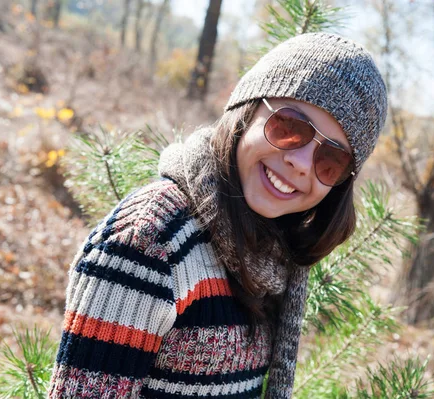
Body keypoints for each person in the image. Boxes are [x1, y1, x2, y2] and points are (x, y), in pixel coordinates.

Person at [48, 32, 387, 399]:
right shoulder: (150, 240)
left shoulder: (270, 253)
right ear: (247, 107)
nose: (300, 162)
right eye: (290, 127)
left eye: (331, 160)